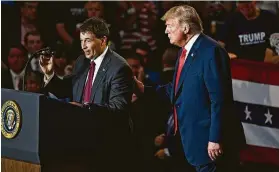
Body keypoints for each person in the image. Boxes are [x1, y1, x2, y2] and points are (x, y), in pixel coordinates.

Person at [134, 5, 245, 172]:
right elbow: (177, 90)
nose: (166, 31)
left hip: (212, 145)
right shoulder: (184, 52)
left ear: (185, 27)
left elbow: (219, 99)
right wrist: (143, 88)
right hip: (193, 141)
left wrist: (215, 138)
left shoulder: (211, 51)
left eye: (170, 26)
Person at [39, 17, 134, 172]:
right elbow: (68, 88)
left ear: (103, 40)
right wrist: (49, 74)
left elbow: (119, 110)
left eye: (88, 40)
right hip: (80, 142)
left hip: (107, 145)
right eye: (81, 41)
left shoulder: (119, 68)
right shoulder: (82, 62)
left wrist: (85, 109)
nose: (83, 46)